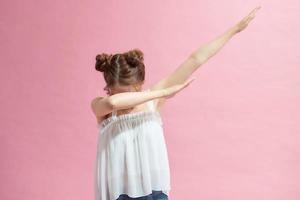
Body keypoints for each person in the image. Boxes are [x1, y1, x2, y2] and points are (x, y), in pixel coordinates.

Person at [91, 6, 261, 200]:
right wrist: (164, 91)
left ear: (140, 85)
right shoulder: (102, 108)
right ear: (109, 88)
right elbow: (113, 103)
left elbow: (196, 59)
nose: (125, 101)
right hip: (117, 192)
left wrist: (235, 29)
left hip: (153, 189)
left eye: (131, 92)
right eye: (118, 93)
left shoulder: (151, 102)